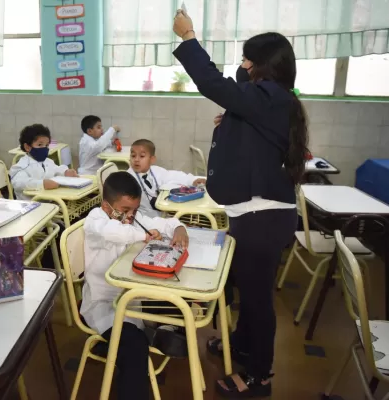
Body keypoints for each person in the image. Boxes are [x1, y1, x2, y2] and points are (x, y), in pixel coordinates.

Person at [173, 10, 308, 398]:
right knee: (249, 291)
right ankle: (243, 346)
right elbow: (233, 89)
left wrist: (190, 38)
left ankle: (259, 376)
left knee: (256, 298)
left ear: (263, 66)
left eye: (248, 59)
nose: (242, 66)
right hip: (254, 214)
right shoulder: (271, 99)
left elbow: (216, 83)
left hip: (261, 217)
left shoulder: (268, 97)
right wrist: (230, 121)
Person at [81, 171, 189, 400]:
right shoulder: (96, 221)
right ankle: (143, 341)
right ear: (106, 206)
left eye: (134, 210)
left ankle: (161, 331)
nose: (131, 216)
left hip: (131, 297)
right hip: (104, 305)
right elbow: (116, 232)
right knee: (135, 351)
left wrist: (178, 228)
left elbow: (165, 222)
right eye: (124, 211)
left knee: (182, 307)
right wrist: (145, 234)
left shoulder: (131, 217)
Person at [130, 139, 206, 218]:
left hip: (161, 215)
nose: (136, 160)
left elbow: (173, 176)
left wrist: (192, 180)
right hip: (142, 217)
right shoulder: (128, 178)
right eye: (133, 156)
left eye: (141, 156)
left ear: (152, 159)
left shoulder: (155, 170)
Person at [10, 124, 78, 200]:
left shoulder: (48, 161)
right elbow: (19, 183)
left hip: (50, 202)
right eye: (40, 144)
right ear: (27, 147)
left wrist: (66, 171)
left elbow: (56, 169)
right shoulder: (21, 166)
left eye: (46, 145)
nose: (44, 148)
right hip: (30, 206)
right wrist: (42, 184)